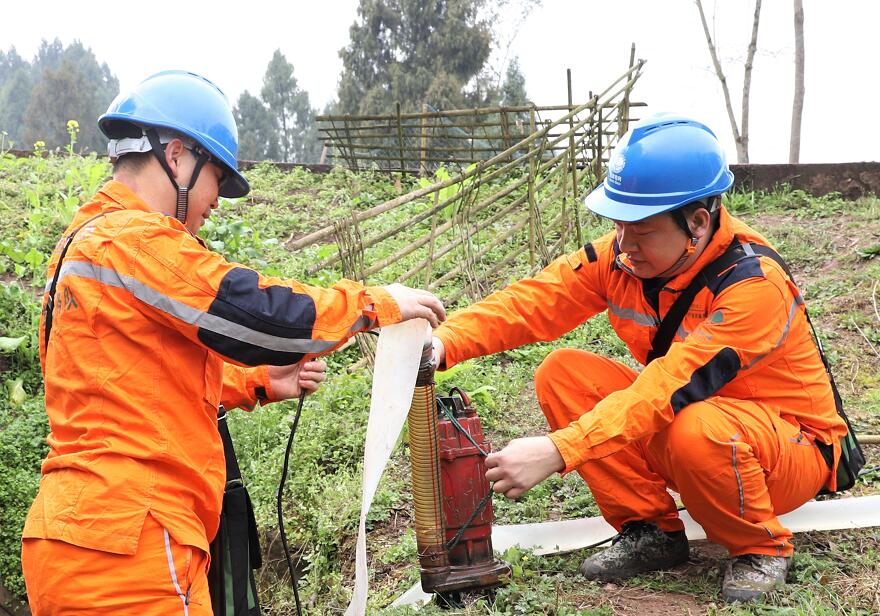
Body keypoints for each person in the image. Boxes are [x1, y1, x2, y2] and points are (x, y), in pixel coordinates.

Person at [21, 70, 446, 615]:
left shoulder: (76, 252)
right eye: (217, 177)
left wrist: (263, 382)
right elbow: (257, 313)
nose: (217, 200)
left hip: (75, 537)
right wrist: (374, 304)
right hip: (132, 546)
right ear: (176, 156)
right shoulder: (134, 241)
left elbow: (137, 382)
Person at [431, 114, 847, 603]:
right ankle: (650, 530)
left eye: (643, 230)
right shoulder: (623, 257)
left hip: (789, 448)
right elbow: (533, 302)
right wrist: (443, 342)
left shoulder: (754, 286)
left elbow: (667, 384)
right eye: (618, 226)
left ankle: (759, 547)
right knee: (563, 374)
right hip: (695, 427)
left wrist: (559, 449)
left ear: (697, 221)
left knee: (695, 426)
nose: (624, 246)